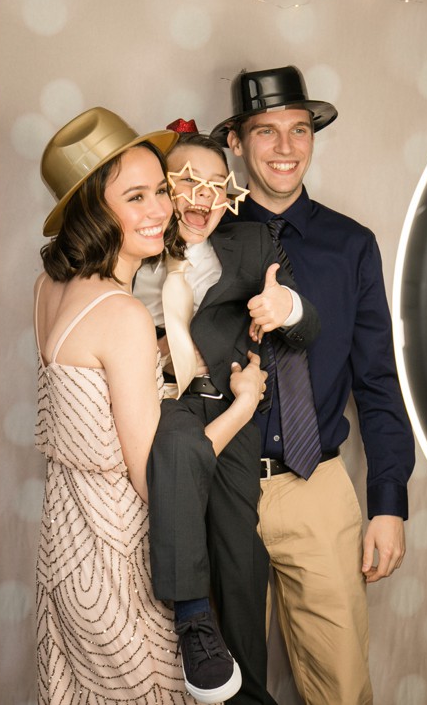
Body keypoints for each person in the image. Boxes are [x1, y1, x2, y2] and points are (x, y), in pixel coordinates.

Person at [33, 106, 266, 705]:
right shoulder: (124, 313)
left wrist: (153, 362)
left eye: (160, 189)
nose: (162, 209)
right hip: (118, 560)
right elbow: (151, 477)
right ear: (93, 209)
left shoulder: (49, 286)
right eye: (135, 197)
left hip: (65, 545)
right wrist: (242, 405)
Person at [210, 65, 415, 704]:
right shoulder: (199, 237)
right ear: (237, 144)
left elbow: (378, 380)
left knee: (342, 684)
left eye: (299, 130)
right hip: (222, 484)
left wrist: (388, 500)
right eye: (266, 132)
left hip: (317, 484)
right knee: (222, 685)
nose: (286, 148)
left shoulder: (352, 245)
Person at [134, 121, 320, 705]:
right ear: (163, 189)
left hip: (229, 409)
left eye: (219, 185)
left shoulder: (250, 245)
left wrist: (283, 305)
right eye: (189, 181)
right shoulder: (130, 244)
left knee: (242, 561)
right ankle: (194, 623)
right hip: (157, 404)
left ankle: (248, 694)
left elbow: (308, 326)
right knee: (175, 445)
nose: (205, 197)